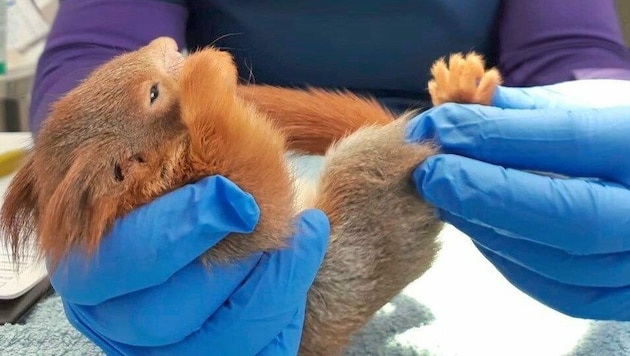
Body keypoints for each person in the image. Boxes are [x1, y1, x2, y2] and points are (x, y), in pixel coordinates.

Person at [28, 0, 630, 354]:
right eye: (160, 85)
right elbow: (97, 46)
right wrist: (64, 193)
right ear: (126, 169)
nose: (167, 48)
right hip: (324, 202)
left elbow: (572, 46)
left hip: (430, 143)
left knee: (368, 160)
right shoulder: (167, 169)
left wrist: (601, 106)